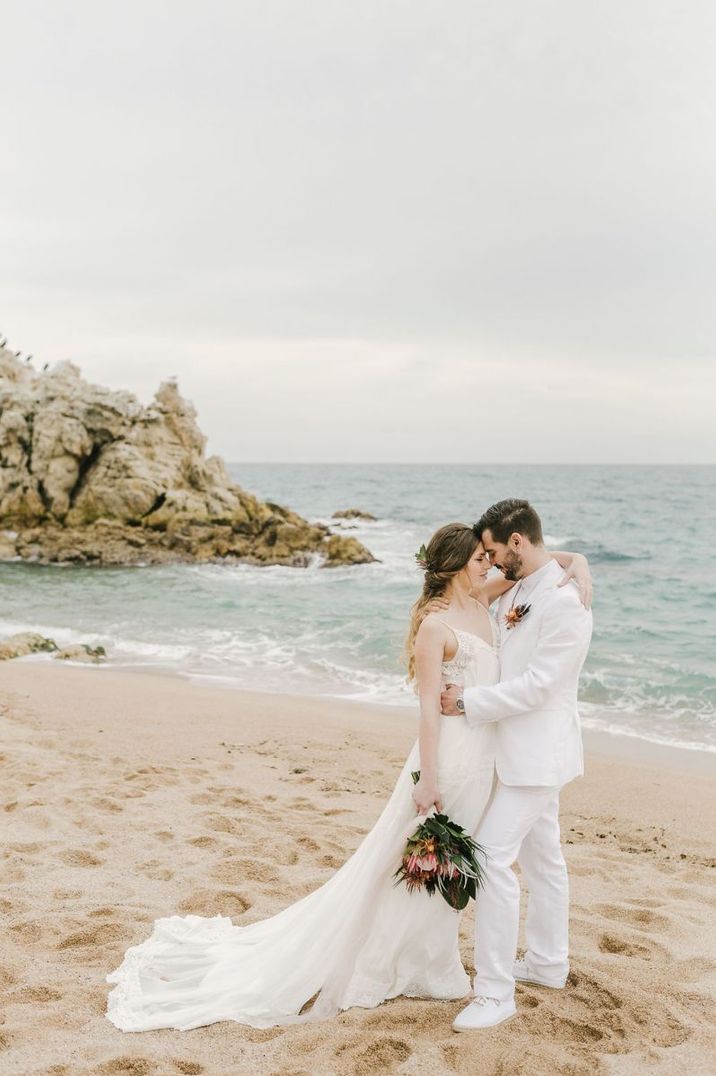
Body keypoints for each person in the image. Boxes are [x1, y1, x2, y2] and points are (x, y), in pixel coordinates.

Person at [106, 522, 590, 1032]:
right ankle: (380, 962)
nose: (487, 566)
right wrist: (428, 777)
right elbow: (427, 710)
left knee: (453, 863)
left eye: (487, 558)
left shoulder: (485, 596)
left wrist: (573, 558)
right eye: (476, 559)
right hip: (448, 757)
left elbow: (526, 562)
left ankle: (432, 958)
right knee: (404, 860)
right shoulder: (436, 625)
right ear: (451, 567)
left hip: (489, 758)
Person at [441, 500, 593, 1032]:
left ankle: (494, 992)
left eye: (496, 550)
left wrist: (468, 704)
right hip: (513, 750)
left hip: (538, 755)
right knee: (545, 860)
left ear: (518, 543)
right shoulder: (524, 585)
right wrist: (578, 557)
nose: (492, 560)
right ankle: (549, 964)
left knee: (488, 858)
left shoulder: (565, 603)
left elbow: (542, 685)